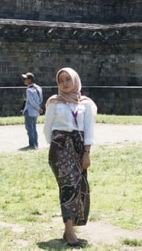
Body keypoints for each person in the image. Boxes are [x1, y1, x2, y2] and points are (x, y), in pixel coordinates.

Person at [43, 67, 97, 247]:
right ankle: (69, 230)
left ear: (75, 80)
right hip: (60, 149)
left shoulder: (86, 104)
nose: (64, 83)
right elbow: (47, 129)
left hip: (79, 148)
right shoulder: (54, 102)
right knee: (68, 186)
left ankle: (72, 224)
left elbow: (89, 130)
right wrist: (60, 146)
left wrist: (86, 153)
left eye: (68, 79)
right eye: (61, 80)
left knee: (79, 185)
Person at [22, 72, 43, 149]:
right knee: (34, 128)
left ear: (30, 80)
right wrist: (38, 108)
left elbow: (31, 102)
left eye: (25, 79)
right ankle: (36, 144)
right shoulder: (39, 88)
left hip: (30, 111)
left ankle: (32, 144)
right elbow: (40, 100)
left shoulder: (29, 90)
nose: (24, 80)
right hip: (35, 112)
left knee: (29, 128)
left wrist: (37, 108)